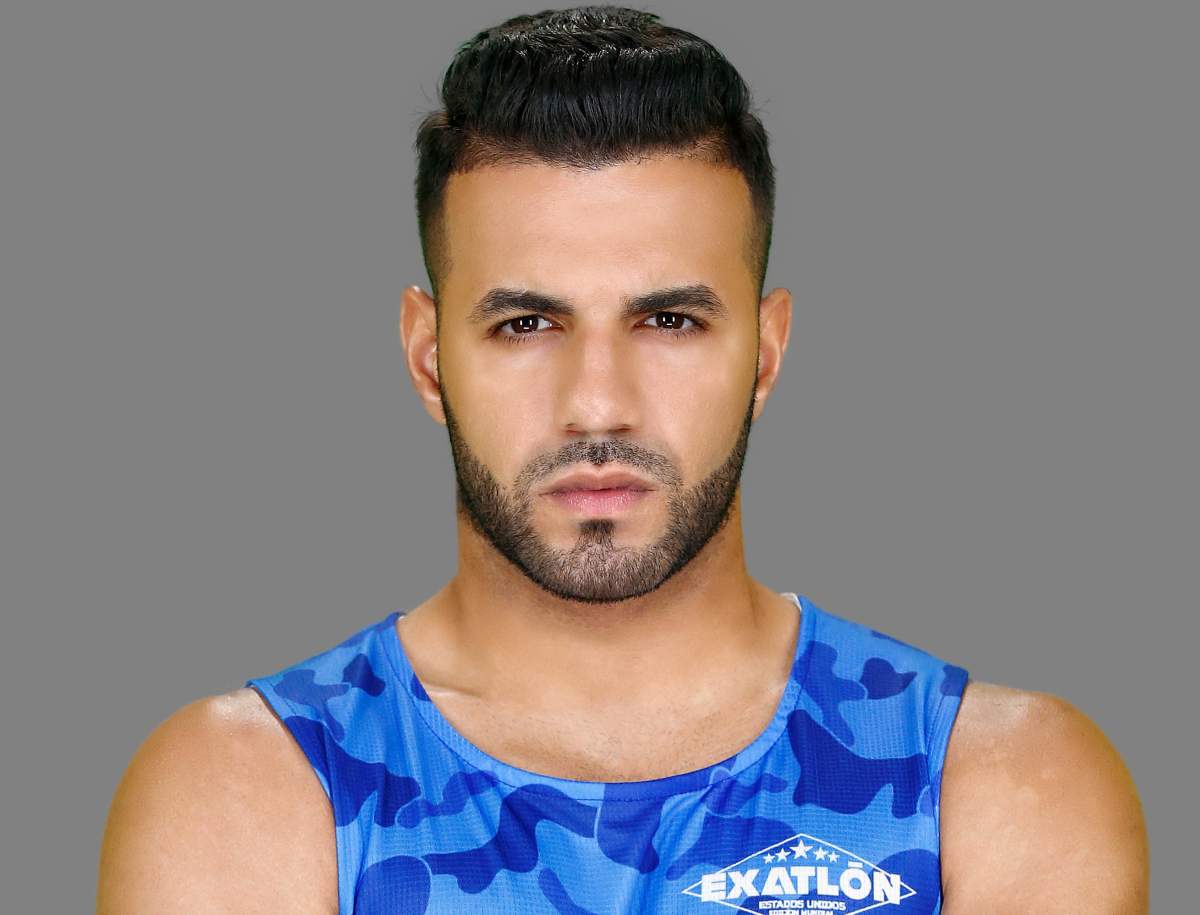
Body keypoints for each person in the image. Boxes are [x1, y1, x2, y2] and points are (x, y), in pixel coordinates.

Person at [97, 6, 1149, 913]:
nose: (597, 403)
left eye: (669, 321)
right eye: (525, 325)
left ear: (765, 353)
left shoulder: (991, 783)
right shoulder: (251, 786)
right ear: (427, 357)